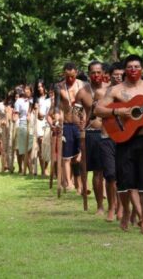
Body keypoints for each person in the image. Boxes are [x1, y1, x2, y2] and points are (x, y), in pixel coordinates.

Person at [95, 55, 143, 235]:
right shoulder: (116, 90)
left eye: (137, 66)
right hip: (124, 139)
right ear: (125, 70)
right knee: (125, 181)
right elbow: (98, 109)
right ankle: (126, 211)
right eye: (130, 67)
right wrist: (118, 110)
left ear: (142, 69)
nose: (133, 70)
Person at [54, 62, 92, 193]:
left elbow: (88, 105)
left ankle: (82, 184)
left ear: (76, 72)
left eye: (72, 76)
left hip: (81, 124)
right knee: (67, 157)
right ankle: (69, 184)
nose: (70, 79)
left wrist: (87, 121)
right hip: (67, 124)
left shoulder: (84, 85)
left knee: (81, 156)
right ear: (64, 74)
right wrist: (57, 118)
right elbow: (57, 106)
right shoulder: (59, 87)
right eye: (67, 76)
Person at [94, 62, 124, 221]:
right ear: (109, 75)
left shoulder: (128, 93)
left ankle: (121, 206)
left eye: (121, 74)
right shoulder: (101, 93)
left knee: (122, 174)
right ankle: (111, 207)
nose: (118, 77)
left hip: (125, 138)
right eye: (115, 75)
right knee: (110, 174)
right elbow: (96, 115)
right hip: (106, 137)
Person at [85, 60, 106, 215]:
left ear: (104, 73)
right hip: (93, 135)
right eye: (93, 72)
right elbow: (78, 116)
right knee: (97, 171)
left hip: (113, 134)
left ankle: (116, 205)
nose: (96, 75)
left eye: (99, 72)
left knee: (113, 173)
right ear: (89, 74)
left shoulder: (113, 90)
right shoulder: (82, 92)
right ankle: (100, 206)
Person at [13, 85, 34, 174]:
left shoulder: (34, 100)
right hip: (23, 124)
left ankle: (30, 169)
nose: (26, 91)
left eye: (28, 89)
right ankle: (27, 169)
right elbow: (16, 114)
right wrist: (14, 119)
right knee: (22, 148)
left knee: (31, 148)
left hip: (33, 124)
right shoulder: (19, 101)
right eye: (25, 89)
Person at [34, 80, 51, 176]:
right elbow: (37, 114)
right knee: (41, 147)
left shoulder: (49, 99)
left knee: (47, 147)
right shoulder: (36, 99)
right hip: (39, 124)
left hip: (48, 124)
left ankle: (46, 167)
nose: (39, 88)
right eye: (38, 87)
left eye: (41, 86)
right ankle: (43, 169)